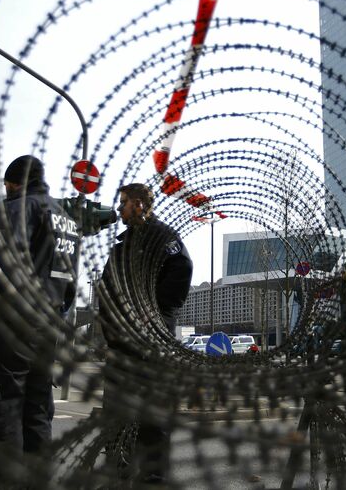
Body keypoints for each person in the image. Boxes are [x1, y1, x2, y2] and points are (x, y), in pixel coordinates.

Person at [0, 157, 81, 489]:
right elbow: (70, 279)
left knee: (0, 410)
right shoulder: (66, 219)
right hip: (48, 323)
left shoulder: (14, 210)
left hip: (11, 322)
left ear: (12, 183)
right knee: (36, 412)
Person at [98, 183, 193, 484]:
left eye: (124, 202)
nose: (120, 208)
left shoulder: (163, 238)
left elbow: (181, 271)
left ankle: (152, 476)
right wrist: (110, 330)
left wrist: (153, 312)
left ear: (139, 204)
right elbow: (106, 289)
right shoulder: (122, 245)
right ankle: (117, 470)